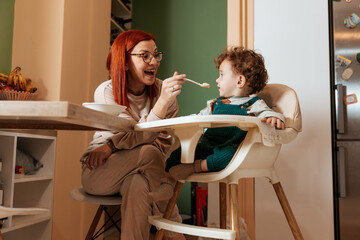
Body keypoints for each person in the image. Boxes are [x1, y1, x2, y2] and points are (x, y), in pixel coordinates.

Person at [80, 30, 186, 240]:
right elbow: (131, 136)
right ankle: (175, 232)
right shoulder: (107, 91)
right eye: (144, 55)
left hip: (144, 172)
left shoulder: (165, 95)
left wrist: (111, 145)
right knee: (148, 153)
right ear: (125, 61)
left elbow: (162, 146)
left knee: (138, 182)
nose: (154, 61)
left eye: (156, 55)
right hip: (100, 169)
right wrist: (161, 105)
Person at [151, 47, 285, 200]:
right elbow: (198, 118)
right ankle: (166, 184)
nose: (217, 79)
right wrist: (183, 122)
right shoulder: (215, 104)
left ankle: (195, 167)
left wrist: (274, 118)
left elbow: (267, 112)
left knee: (228, 157)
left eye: (221, 75)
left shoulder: (253, 103)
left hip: (231, 147)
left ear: (240, 81)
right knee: (176, 154)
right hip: (208, 145)